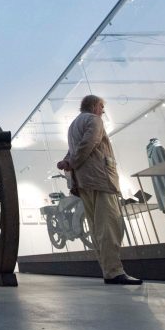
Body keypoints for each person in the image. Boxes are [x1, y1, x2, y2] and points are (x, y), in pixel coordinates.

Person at [56, 95, 142, 285]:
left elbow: (74, 149)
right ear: (94, 106)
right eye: (101, 106)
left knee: (96, 229)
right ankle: (114, 272)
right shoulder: (94, 120)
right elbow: (89, 143)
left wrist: (68, 161)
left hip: (84, 181)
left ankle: (108, 270)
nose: (103, 110)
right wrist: (70, 162)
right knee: (110, 226)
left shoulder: (73, 125)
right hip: (100, 179)